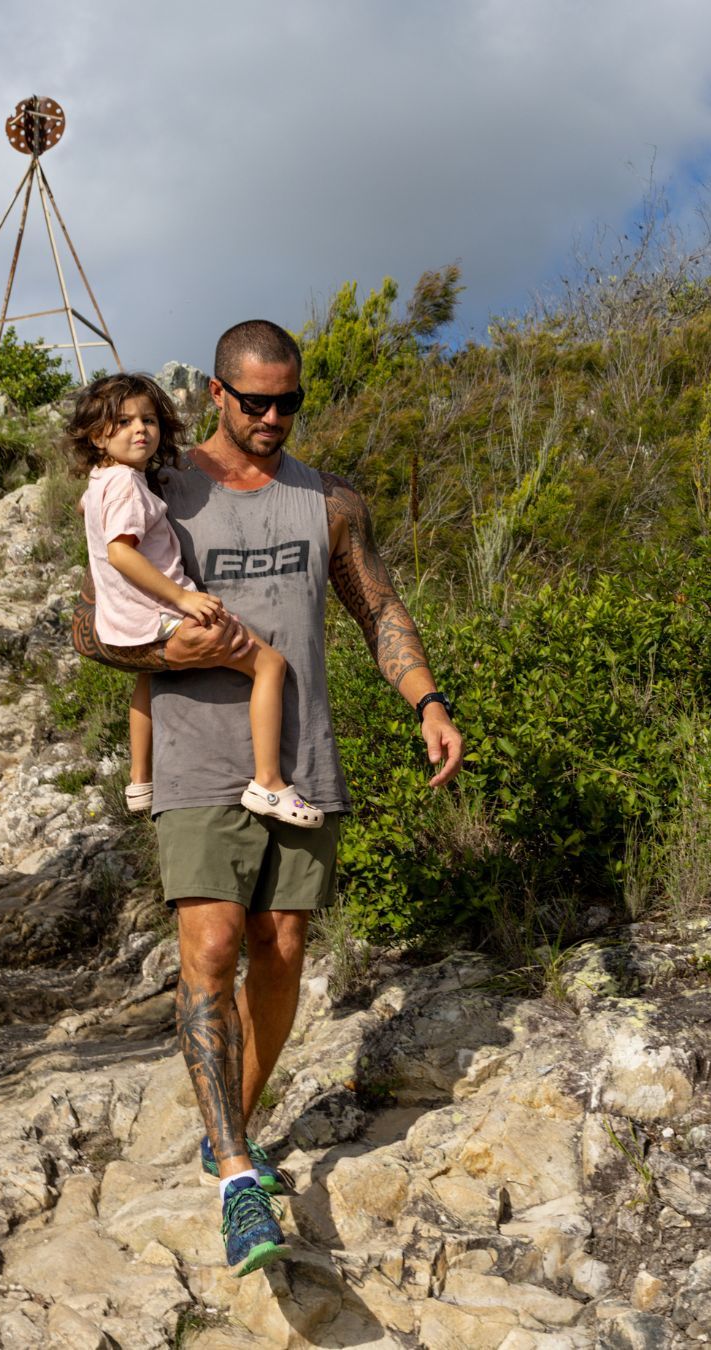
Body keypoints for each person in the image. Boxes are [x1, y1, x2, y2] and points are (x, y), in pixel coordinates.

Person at [72, 322, 463, 1277]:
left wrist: (428, 699)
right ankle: (240, 1178)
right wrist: (167, 652)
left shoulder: (328, 499)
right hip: (199, 755)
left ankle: (225, 1125)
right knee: (209, 945)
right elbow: (88, 624)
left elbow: (377, 605)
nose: (272, 418)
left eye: (288, 401)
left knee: (279, 949)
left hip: (300, 756)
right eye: (254, 402)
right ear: (216, 393)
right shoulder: (159, 485)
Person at [67, 372, 323, 828]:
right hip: (162, 614)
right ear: (96, 433)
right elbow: (121, 553)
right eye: (122, 422)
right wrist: (184, 599)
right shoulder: (127, 485)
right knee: (270, 665)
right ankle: (268, 782)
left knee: (147, 679)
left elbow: (91, 514)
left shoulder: (101, 482)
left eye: (148, 419)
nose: (140, 429)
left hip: (123, 621)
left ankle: (140, 779)